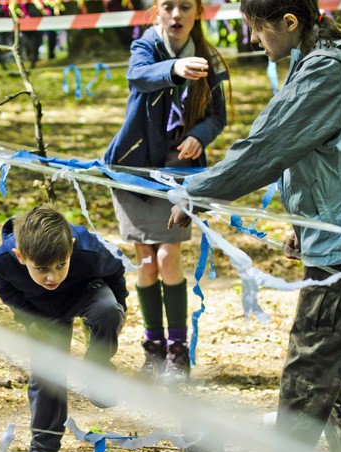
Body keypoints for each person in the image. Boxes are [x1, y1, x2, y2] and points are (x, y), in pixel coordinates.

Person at [168, 0, 341, 452]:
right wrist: (306, 219)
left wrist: (196, 193)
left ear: (289, 23)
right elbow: (327, 151)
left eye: (256, 27)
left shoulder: (325, 71)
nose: (251, 39)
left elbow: (267, 146)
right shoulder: (323, 60)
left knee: (315, 348)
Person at [103, 0, 229, 382]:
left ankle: (178, 352)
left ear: (197, 14)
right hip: (134, 169)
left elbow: (217, 117)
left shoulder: (211, 59)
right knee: (145, 259)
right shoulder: (145, 47)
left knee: (168, 256)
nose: (176, 15)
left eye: (185, 7)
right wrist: (174, 69)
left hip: (178, 175)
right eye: (168, 7)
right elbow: (138, 76)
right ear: (157, 12)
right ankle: (153, 348)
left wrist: (198, 136)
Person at [0, 205, 128, 452]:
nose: (52, 276)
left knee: (108, 311)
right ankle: (43, 450)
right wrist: (29, 318)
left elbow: (116, 268)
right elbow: (4, 290)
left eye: (60, 265)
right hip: (42, 311)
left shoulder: (90, 251)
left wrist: (121, 305)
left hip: (85, 293)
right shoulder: (4, 261)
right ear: (20, 257)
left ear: (72, 248)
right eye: (41, 269)